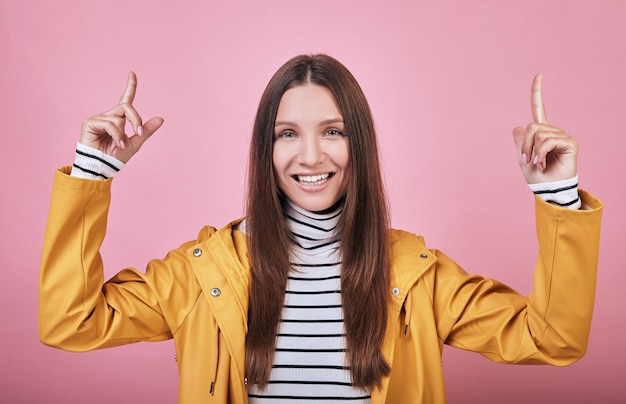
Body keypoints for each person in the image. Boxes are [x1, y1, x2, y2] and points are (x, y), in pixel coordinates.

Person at [39, 54, 603, 403]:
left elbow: (551, 339)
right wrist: (94, 173)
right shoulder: (202, 271)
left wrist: (556, 194)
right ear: (266, 148)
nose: (310, 155)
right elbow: (71, 324)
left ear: (359, 143)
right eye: (287, 134)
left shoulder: (416, 274)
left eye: (332, 131)